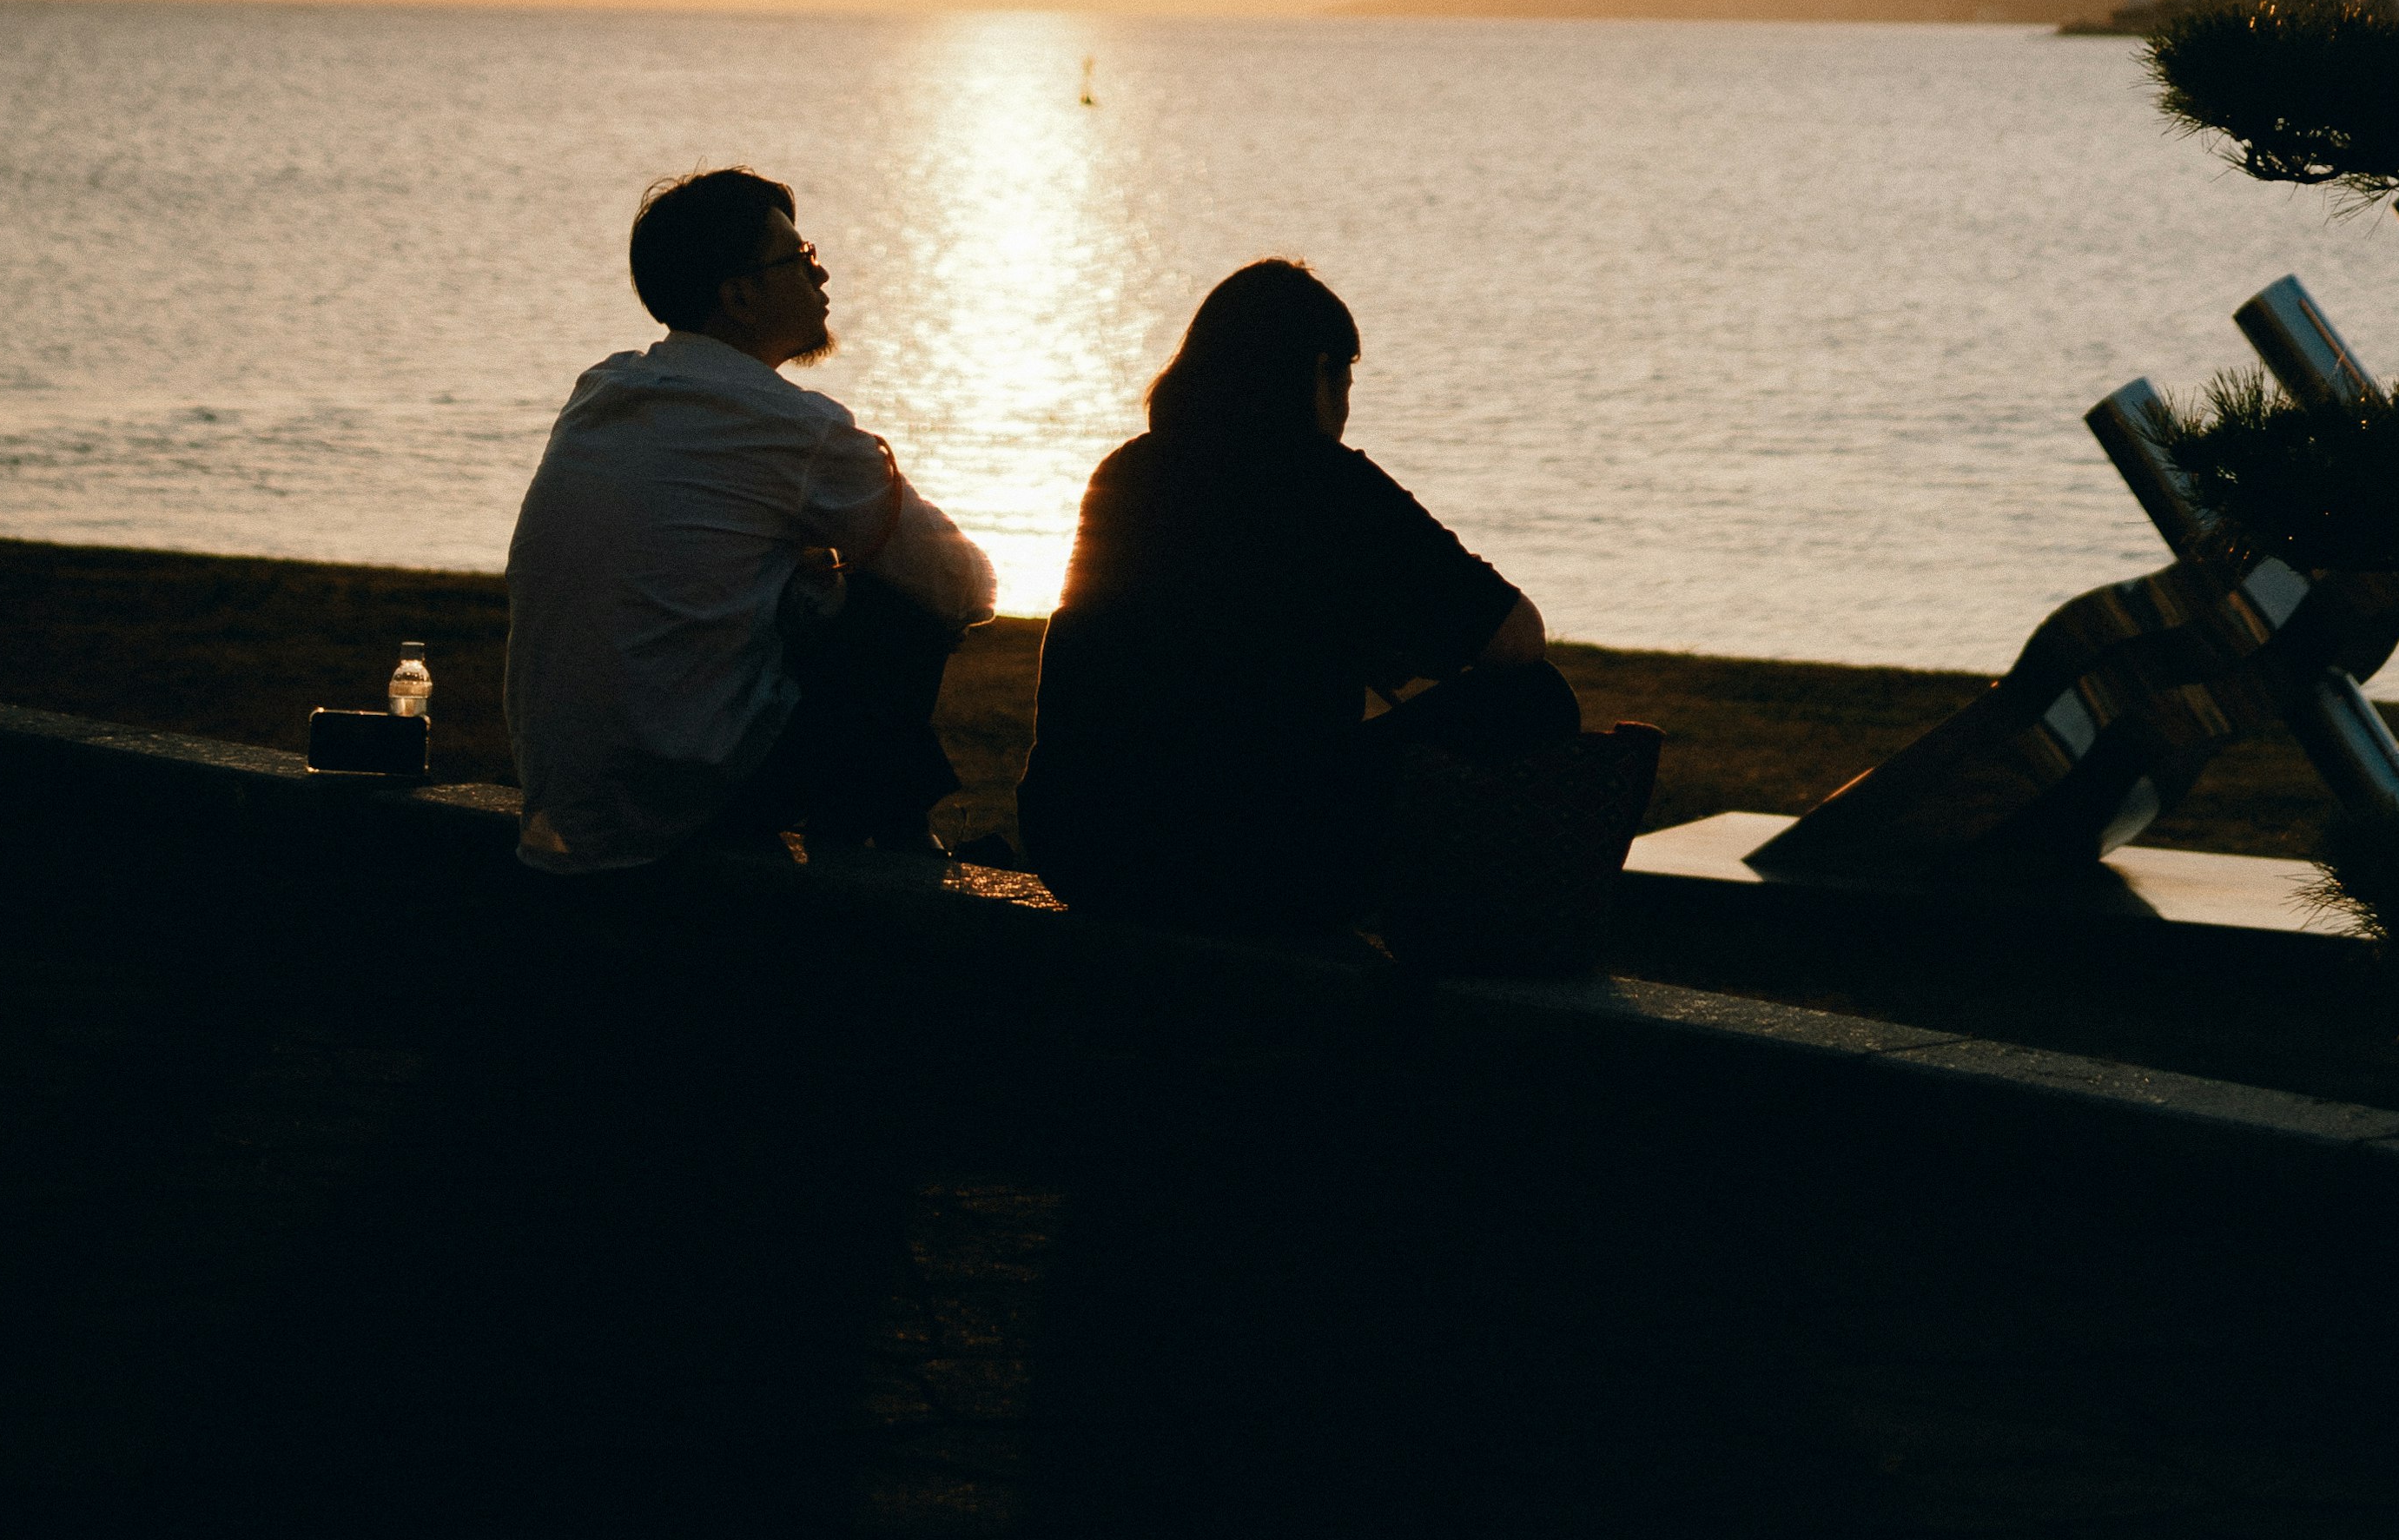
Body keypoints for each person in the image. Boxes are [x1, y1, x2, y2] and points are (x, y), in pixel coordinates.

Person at [1021, 257, 1639, 951]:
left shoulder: (1127, 470)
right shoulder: (1331, 483)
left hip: (1080, 845)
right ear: (1318, 372)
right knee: (1535, 698)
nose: (1347, 404)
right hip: (1250, 863)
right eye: (1345, 377)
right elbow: (1518, 637)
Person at [504, 163, 996, 876]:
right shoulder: (797, 429)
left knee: (822, 593)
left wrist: (804, 581)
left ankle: (891, 835)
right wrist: (843, 579)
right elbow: (963, 590)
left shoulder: (602, 390)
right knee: (901, 604)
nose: (821, 279)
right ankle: (873, 845)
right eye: (800, 261)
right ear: (739, 296)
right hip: (680, 801)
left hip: (562, 796)